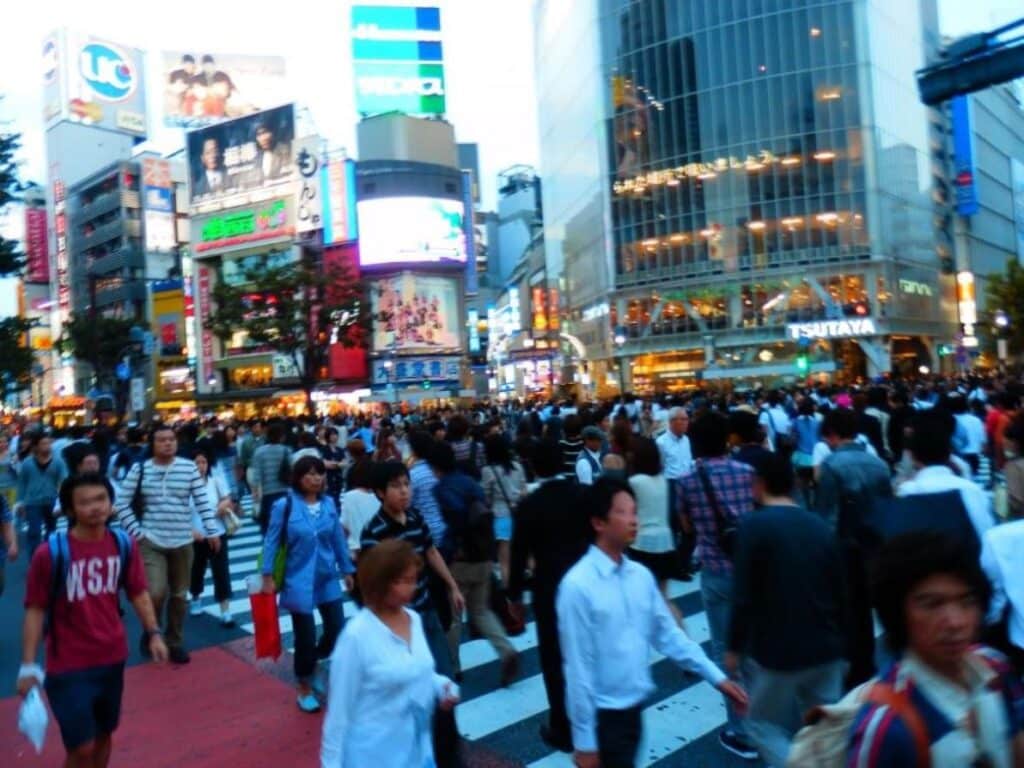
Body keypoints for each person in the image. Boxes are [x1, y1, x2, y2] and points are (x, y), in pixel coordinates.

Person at [557, 477, 749, 768]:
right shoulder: (578, 586)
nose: (633, 520)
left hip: (633, 712)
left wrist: (717, 677)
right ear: (598, 522)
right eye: (622, 512)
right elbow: (577, 669)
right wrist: (585, 742)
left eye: (635, 511)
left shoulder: (639, 576)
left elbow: (668, 635)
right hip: (603, 718)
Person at [16, 473, 168, 768]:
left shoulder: (123, 544)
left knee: (103, 735)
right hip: (68, 666)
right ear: (71, 510)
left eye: (101, 499)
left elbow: (138, 592)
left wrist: (154, 632)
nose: (95, 507)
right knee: (81, 747)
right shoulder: (50, 554)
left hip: (112, 657)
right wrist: (28, 666)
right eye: (85, 503)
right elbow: (34, 609)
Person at [845, 530, 1024, 765]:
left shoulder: (996, 670)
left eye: (967, 601)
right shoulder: (886, 727)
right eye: (932, 605)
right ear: (897, 614)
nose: (955, 622)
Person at [726, 452, 847, 766]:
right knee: (825, 722)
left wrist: (734, 648)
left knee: (760, 723)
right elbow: (840, 589)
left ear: (759, 483)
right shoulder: (819, 526)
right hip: (827, 644)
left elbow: (743, 595)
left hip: (779, 649)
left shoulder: (753, 526)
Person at [360, 461, 464, 768]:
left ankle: (448, 756)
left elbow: (430, 552)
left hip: (427, 615)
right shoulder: (374, 533)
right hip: (397, 627)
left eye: (406, 484)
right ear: (380, 493)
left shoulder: (416, 517)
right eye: (396, 486)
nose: (404, 491)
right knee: (411, 696)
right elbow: (370, 584)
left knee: (444, 686)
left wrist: (452, 586)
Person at [320, 540, 460, 768]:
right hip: (374, 756)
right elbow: (338, 715)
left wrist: (441, 686)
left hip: (418, 753)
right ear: (379, 583)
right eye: (401, 581)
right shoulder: (356, 637)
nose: (411, 588)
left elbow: (418, 670)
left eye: (412, 580)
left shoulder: (413, 620)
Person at [678, 410, 759, 760]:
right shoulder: (748, 472)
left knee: (726, 647)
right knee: (757, 642)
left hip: (716, 570)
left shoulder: (686, 481)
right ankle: (767, 718)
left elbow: (686, 525)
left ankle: (740, 728)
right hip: (752, 566)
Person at [115, 426, 221, 665]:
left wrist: (211, 530)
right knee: (155, 591)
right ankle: (152, 631)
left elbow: (202, 500)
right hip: (151, 541)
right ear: (152, 444)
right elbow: (121, 503)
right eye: (161, 440)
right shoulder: (140, 469)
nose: (167, 444)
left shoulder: (188, 468)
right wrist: (137, 532)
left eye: (171, 439)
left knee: (179, 595)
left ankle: (174, 642)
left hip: (183, 540)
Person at [507, 440, 588, 753]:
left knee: (554, 660)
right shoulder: (582, 495)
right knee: (586, 654)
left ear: (534, 466)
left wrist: (515, 597)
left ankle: (562, 726)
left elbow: (518, 554)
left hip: (549, 589)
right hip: (584, 586)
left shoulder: (529, 505)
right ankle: (589, 720)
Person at [261, 455, 355, 713]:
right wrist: (267, 574)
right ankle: (304, 684)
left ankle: (315, 663)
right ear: (298, 478)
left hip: (326, 576)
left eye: (320, 473)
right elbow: (271, 541)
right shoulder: (285, 505)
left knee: (337, 627)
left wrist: (347, 569)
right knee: (305, 635)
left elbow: (337, 538)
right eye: (309, 474)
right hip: (297, 579)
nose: (316, 478)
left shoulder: (328, 504)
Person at [813, 407, 892, 688]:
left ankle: (854, 671)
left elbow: (828, 518)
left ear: (832, 435)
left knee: (849, 612)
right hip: (876, 547)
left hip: (845, 549)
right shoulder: (878, 464)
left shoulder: (832, 466)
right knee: (871, 610)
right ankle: (871, 665)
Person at [430, 441, 519, 686]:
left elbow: (456, 521)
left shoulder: (441, 489)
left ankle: (452, 665)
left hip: (461, 558)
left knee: (456, 615)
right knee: (480, 609)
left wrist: (448, 548)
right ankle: (506, 649)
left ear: (435, 466)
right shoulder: (470, 482)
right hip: (484, 553)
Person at [898, 408, 995, 552]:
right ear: (948, 451)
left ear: (913, 456)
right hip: (967, 560)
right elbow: (985, 531)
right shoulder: (971, 488)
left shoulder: (907, 490)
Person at [626, 436, 682, 625]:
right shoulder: (663, 480)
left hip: (642, 544)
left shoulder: (635, 482)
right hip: (665, 542)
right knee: (664, 598)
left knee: (638, 598)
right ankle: (682, 637)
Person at [188, 448, 235, 627]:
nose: (201, 466)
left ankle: (225, 611)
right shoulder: (186, 486)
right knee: (196, 569)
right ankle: (195, 597)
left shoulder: (216, 481)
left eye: (204, 462)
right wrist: (191, 530)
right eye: (197, 462)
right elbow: (182, 512)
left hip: (218, 532)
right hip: (197, 536)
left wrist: (223, 505)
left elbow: (227, 498)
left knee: (221, 571)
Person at [480, 433, 527, 587]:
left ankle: (509, 596)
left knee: (504, 561)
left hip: (500, 515)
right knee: (526, 556)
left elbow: (486, 497)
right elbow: (524, 491)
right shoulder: (518, 466)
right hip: (519, 514)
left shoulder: (488, 470)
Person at [15, 433, 69, 557]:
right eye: (44, 444)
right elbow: (22, 483)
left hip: (51, 501)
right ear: (36, 447)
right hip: (32, 502)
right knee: (34, 532)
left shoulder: (58, 461)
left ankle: (48, 557)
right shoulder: (27, 463)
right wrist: (20, 503)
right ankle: (34, 559)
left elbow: (63, 482)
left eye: (49, 443)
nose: (47, 446)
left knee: (51, 532)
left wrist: (61, 502)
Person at [251, 422, 292, 535]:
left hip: (267, 494)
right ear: (282, 436)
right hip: (285, 492)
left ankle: (271, 550)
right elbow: (292, 471)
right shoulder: (286, 450)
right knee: (285, 525)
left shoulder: (259, 452)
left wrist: (255, 494)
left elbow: (256, 476)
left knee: (269, 527)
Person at [338, 459, 379, 561]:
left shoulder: (348, 497)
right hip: (379, 549)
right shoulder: (381, 496)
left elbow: (344, 527)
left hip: (356, 551)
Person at [656, 407, 693, 479]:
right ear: (671, 422)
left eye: (687, 419)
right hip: (671, 482)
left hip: (688, 481)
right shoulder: (660, 442)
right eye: (683, 419)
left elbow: (687, 461)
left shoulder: (686, 439)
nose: (686, 422)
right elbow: (659, 467)